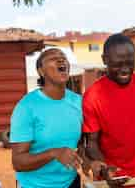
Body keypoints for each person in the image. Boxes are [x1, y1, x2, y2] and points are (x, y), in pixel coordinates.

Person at [82, 33, 135, 186]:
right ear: (104, 60)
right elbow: (92, 144)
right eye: (118, 63)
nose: (125, 69)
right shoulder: (92, 95)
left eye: (130, 62)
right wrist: (104, 168)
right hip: (112, 179)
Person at [10, 48, 89, 188]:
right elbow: (18, 162)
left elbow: (81, 144)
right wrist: (53, 153)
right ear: (41, 71)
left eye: (63, 57)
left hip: (70, 182)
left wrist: (89, 162)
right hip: (35, 185)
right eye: (53, 58)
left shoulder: (78, 102)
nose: (61, 60)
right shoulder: (27, 107)